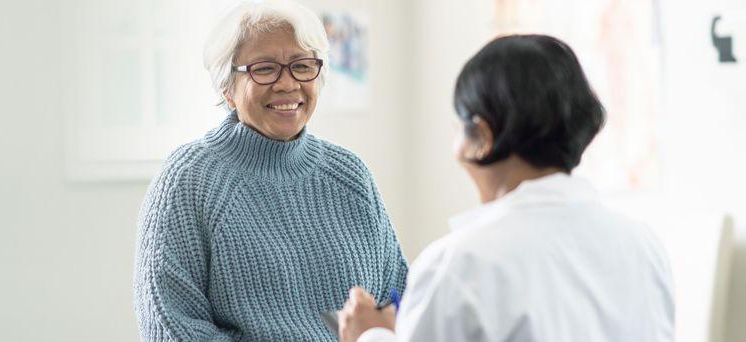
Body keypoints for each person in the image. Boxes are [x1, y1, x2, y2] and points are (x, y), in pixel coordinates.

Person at [337, 34, 675, 342]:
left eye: (459, 127)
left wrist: (370, 335)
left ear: (481, 137)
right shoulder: (643, 245)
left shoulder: (460, 265)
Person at [133, 1, 409, 340]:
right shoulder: (189, 179)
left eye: (302, 66)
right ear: (227, 88)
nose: (287, 84)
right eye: (264, 69)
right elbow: (170, 327)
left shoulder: (350, 175)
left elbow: (399, 303)